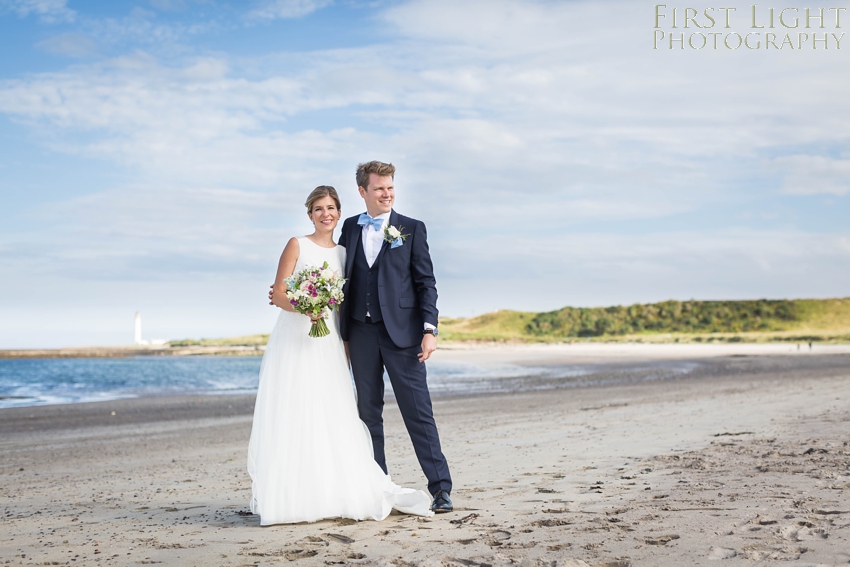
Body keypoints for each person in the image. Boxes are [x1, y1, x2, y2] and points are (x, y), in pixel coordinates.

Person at [247, 185, 433, 526]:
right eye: (319, 208)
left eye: (331, 207)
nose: (326, 214)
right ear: (309, 214)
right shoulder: (296, 245)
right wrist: (307, 308)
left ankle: (329, 490)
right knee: (296, 410)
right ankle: (292, 495)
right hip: (296, 339)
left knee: (331, 411)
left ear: (338, 211)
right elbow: (278, 294)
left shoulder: (344, 252)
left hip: (331, 341)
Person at [337, 161, 453, 513]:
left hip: (404, 335)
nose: (386, 194)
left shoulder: (411, 228)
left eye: (390, 188)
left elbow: (425, 283)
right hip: (360, 332)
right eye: (379, 189)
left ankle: (440, 488)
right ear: (362, 192)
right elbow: (342, 277)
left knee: (418, 412)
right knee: (367, 414)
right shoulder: (349, 229)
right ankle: (377, 486)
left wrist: (429, 329)